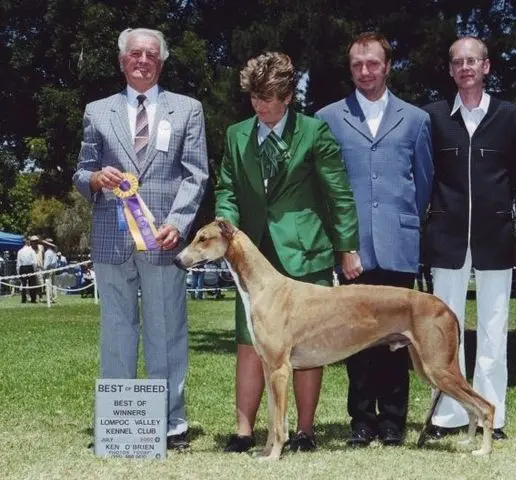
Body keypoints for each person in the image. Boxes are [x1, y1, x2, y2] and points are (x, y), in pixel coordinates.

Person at [216, 51, 359, 453]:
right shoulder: (235, 134)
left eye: (268, 98)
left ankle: (305, 431)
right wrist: (227, 223)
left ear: (288, 96)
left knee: (304, 347)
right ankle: (244, 431)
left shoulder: (314, 133)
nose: (260, 107)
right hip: (253, 255)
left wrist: (346, 246)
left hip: (305, 253)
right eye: (254, 99)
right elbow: (227, 186)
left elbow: (339, 193)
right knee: (250, 340)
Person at [73, 27, 209, 450]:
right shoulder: (97, 112)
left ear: (162, 62)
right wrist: (95, 179)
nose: (143, 60)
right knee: (117, 329)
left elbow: (196, 173)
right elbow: (81, 171)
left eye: (152, 54)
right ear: (121, 61)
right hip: (112, 241)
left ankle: (171, 423)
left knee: (166, 331)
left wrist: (179, 223)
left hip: (164, 241)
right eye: (136, 54)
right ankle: (118, 421)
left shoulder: (188, 110)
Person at [316, 32, 433, 447]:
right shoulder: (328, 118)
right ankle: (362, 420)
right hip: (354, 249)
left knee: (398, 342)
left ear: (387, 65)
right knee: (358, 341)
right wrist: (343, 245)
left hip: (398, 246)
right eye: (356, 65)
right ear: (349, 69)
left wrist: (404, 227)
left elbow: (422, 183)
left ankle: (394, 421)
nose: (364, 71)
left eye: (372, 63)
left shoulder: (416, 119)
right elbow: (326, 188)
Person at [423, 36, 516, 441]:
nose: (465, 67)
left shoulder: (513, 118)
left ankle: (491, 416)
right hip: (446, 237)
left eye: (473, 60)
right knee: (442, 330)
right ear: (450, 70)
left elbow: (512, 175)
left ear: (487, 66)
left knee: (493, 328)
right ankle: (448, 416)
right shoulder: (431, 117)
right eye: (457, 61)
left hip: (494, 236)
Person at [16, 238, 38, 303]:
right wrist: (35, 270)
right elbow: (35, 262)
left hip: (22, 268)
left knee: (23, 284)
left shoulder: (19, 251)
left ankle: (23, 299)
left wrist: (18, 271)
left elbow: (18, 263)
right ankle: (33, 299)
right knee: (32, 284)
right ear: (29, 243)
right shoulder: (32, 251)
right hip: (30, 267)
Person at [43, 238, 59, 302]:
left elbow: (46, 263)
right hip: (54, 269)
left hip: (49, 269)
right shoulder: (53, 252)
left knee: (49, 284)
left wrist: (44, 271)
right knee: (54, 284)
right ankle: (54, 297)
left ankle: (49, 297)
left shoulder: (48, 252)